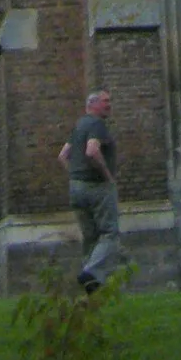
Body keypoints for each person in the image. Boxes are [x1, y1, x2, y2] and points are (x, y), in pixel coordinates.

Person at [59, 86, 123, 289]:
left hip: (76, 188)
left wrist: (75, 175)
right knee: (109, 233)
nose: (109, 105)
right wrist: (108, 176)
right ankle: (91, 272)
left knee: (90, 237)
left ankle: (91, 283)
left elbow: (62, 156)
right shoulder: (97, 124)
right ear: (93, 104)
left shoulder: (79, 125)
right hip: (97, 187)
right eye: (106, 102)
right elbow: (92, 150)